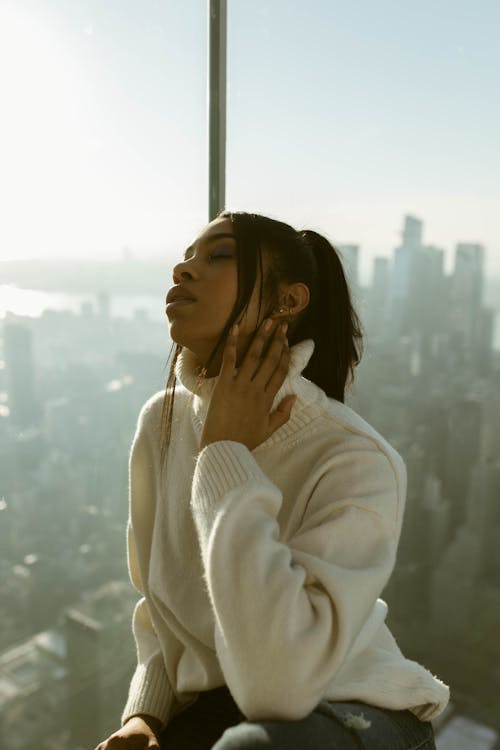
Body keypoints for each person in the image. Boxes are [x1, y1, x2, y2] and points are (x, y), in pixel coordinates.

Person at [95, 211, 450, 750]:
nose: (183, 269)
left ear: (289, 301)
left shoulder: (353, 455)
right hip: (218, 710)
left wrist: (225, 453)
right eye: (188, 254)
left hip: (349, 704)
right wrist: (145, 716)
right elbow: (161, 609)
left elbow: (281, 684)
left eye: (219, 256)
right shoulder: (160, 423)